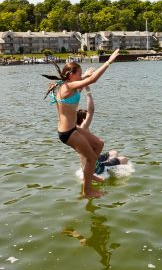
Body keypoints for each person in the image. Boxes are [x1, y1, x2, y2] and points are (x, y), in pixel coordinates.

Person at [43, 48, 121, 198]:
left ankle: (89, 173)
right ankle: (87, 191)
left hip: (73, 128)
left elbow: (84, 79)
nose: (81, 77)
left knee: (99, 143)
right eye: (79, 74)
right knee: (92, 158)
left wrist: (85, 75)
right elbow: (92, 80)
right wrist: (109, 62)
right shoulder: (68, 87)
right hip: (67, 133)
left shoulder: (67, 84)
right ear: (71, 75)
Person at [75, 81, 128, 176]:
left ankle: (110, 164)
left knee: (114, 152)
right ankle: (108, 170)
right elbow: (91, 111)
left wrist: (81, 85)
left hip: (91, 160)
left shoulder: (74, 129)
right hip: (95, 168)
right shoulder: (83, 127)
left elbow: (73, 105)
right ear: (83, 119)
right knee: (124, 159)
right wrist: (88, 91)